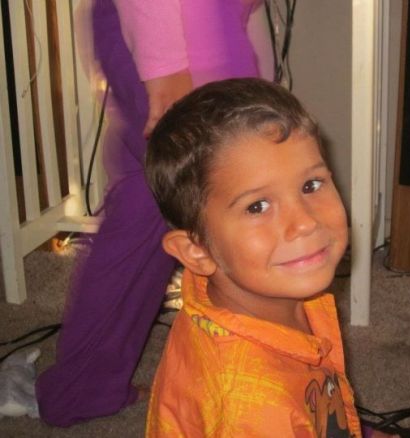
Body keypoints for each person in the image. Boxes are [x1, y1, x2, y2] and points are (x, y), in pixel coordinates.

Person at [36, 0, 269, 427]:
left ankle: (84, 387)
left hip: (188, 32)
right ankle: (296, 400)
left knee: (145, 210)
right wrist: (164, 65)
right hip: (164, 37)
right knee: (243, 204)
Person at [144, 78, 394, 437]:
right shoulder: (257, 411)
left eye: (311, 185)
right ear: (196, 251)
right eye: (257, 206)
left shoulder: (243, 290)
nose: (305, 223)